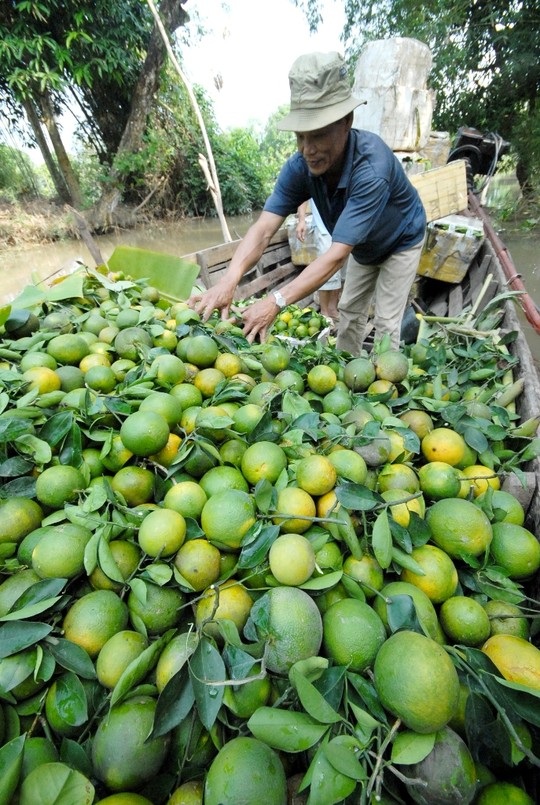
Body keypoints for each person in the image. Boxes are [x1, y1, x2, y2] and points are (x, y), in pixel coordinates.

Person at [189, 51, 426, 353]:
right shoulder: (300, 166)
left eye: (317, 136)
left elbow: (337, 255)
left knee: (386, 321)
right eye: (300, 137)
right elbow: (263, 229)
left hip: (400, 241)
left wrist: (276, 300)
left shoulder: (372, 169)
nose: (307, 149)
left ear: (346, 122)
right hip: (363, 245)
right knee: (350, 310)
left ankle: (384, 384)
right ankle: (347, 373)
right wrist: (229, 280)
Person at [295, 199, 342, 321]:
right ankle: (324, 312)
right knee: (326, 268)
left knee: (341, 269)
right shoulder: (314, 180)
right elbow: (303, 195)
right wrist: (301, 220)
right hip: (323, 227)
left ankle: (332, 308)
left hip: (343, 225)